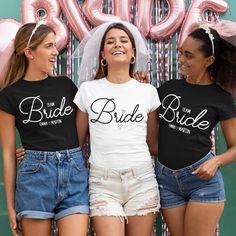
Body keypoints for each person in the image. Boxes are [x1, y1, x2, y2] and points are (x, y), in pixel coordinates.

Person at [0, 22, 89, 236]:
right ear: (29, 52)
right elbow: (8, 153)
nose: (55, 51)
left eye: (54, 45)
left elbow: (80, 132)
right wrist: (11, 206)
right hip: (34, 178)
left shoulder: (66, 86)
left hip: (73, 173)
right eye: (49, 46)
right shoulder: (9, 95)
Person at [73, 21, 161, 236]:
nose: (117, 44)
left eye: (123, 40)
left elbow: (153, 145)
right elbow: (75, 142)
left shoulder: (148, 91)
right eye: (110, 42)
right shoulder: (88, 90)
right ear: (103, 54)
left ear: (133, 53)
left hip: (142, 180)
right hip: (102, 182)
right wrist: (37, 150)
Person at [155, 24, 236, 236]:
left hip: (202, 181)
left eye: (189, 56)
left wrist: (216, 161)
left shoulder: (221, 98)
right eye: (181, 53)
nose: (181, 59)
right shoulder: (168, 89)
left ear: (209, 61)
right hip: (166, 180)